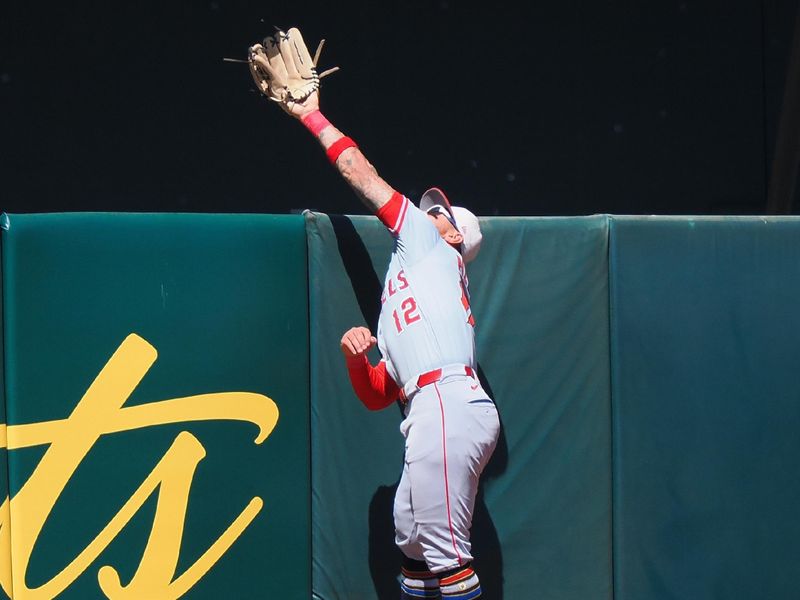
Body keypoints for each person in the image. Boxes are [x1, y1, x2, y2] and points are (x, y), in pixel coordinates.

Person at [249, 29, 500, 599]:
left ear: (454, 233)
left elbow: (361, 175)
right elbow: (380, 393)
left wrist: (313, 117)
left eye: (437, 210)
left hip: (446, 403)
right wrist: (358, 361)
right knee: (411, 542)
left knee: (444, 552)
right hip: (427, 404)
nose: (424, 209)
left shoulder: (433, 245)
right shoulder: (406, 291)